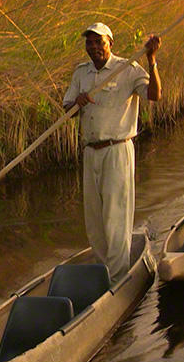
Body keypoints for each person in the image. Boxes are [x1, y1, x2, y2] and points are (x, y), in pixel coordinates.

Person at [63, 22, 161, 281]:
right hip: (91, 152)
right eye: (90, 42)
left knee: (115, 216)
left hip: (117, 150)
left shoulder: (127, 69)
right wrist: (77, 102)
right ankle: (103, 272)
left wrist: (152, 60)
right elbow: (67, 109)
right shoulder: (81, 73)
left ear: (110, 43)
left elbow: (155, 94)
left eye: (99, 42)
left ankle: (119, 280)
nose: (94, 47)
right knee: (94, 220)